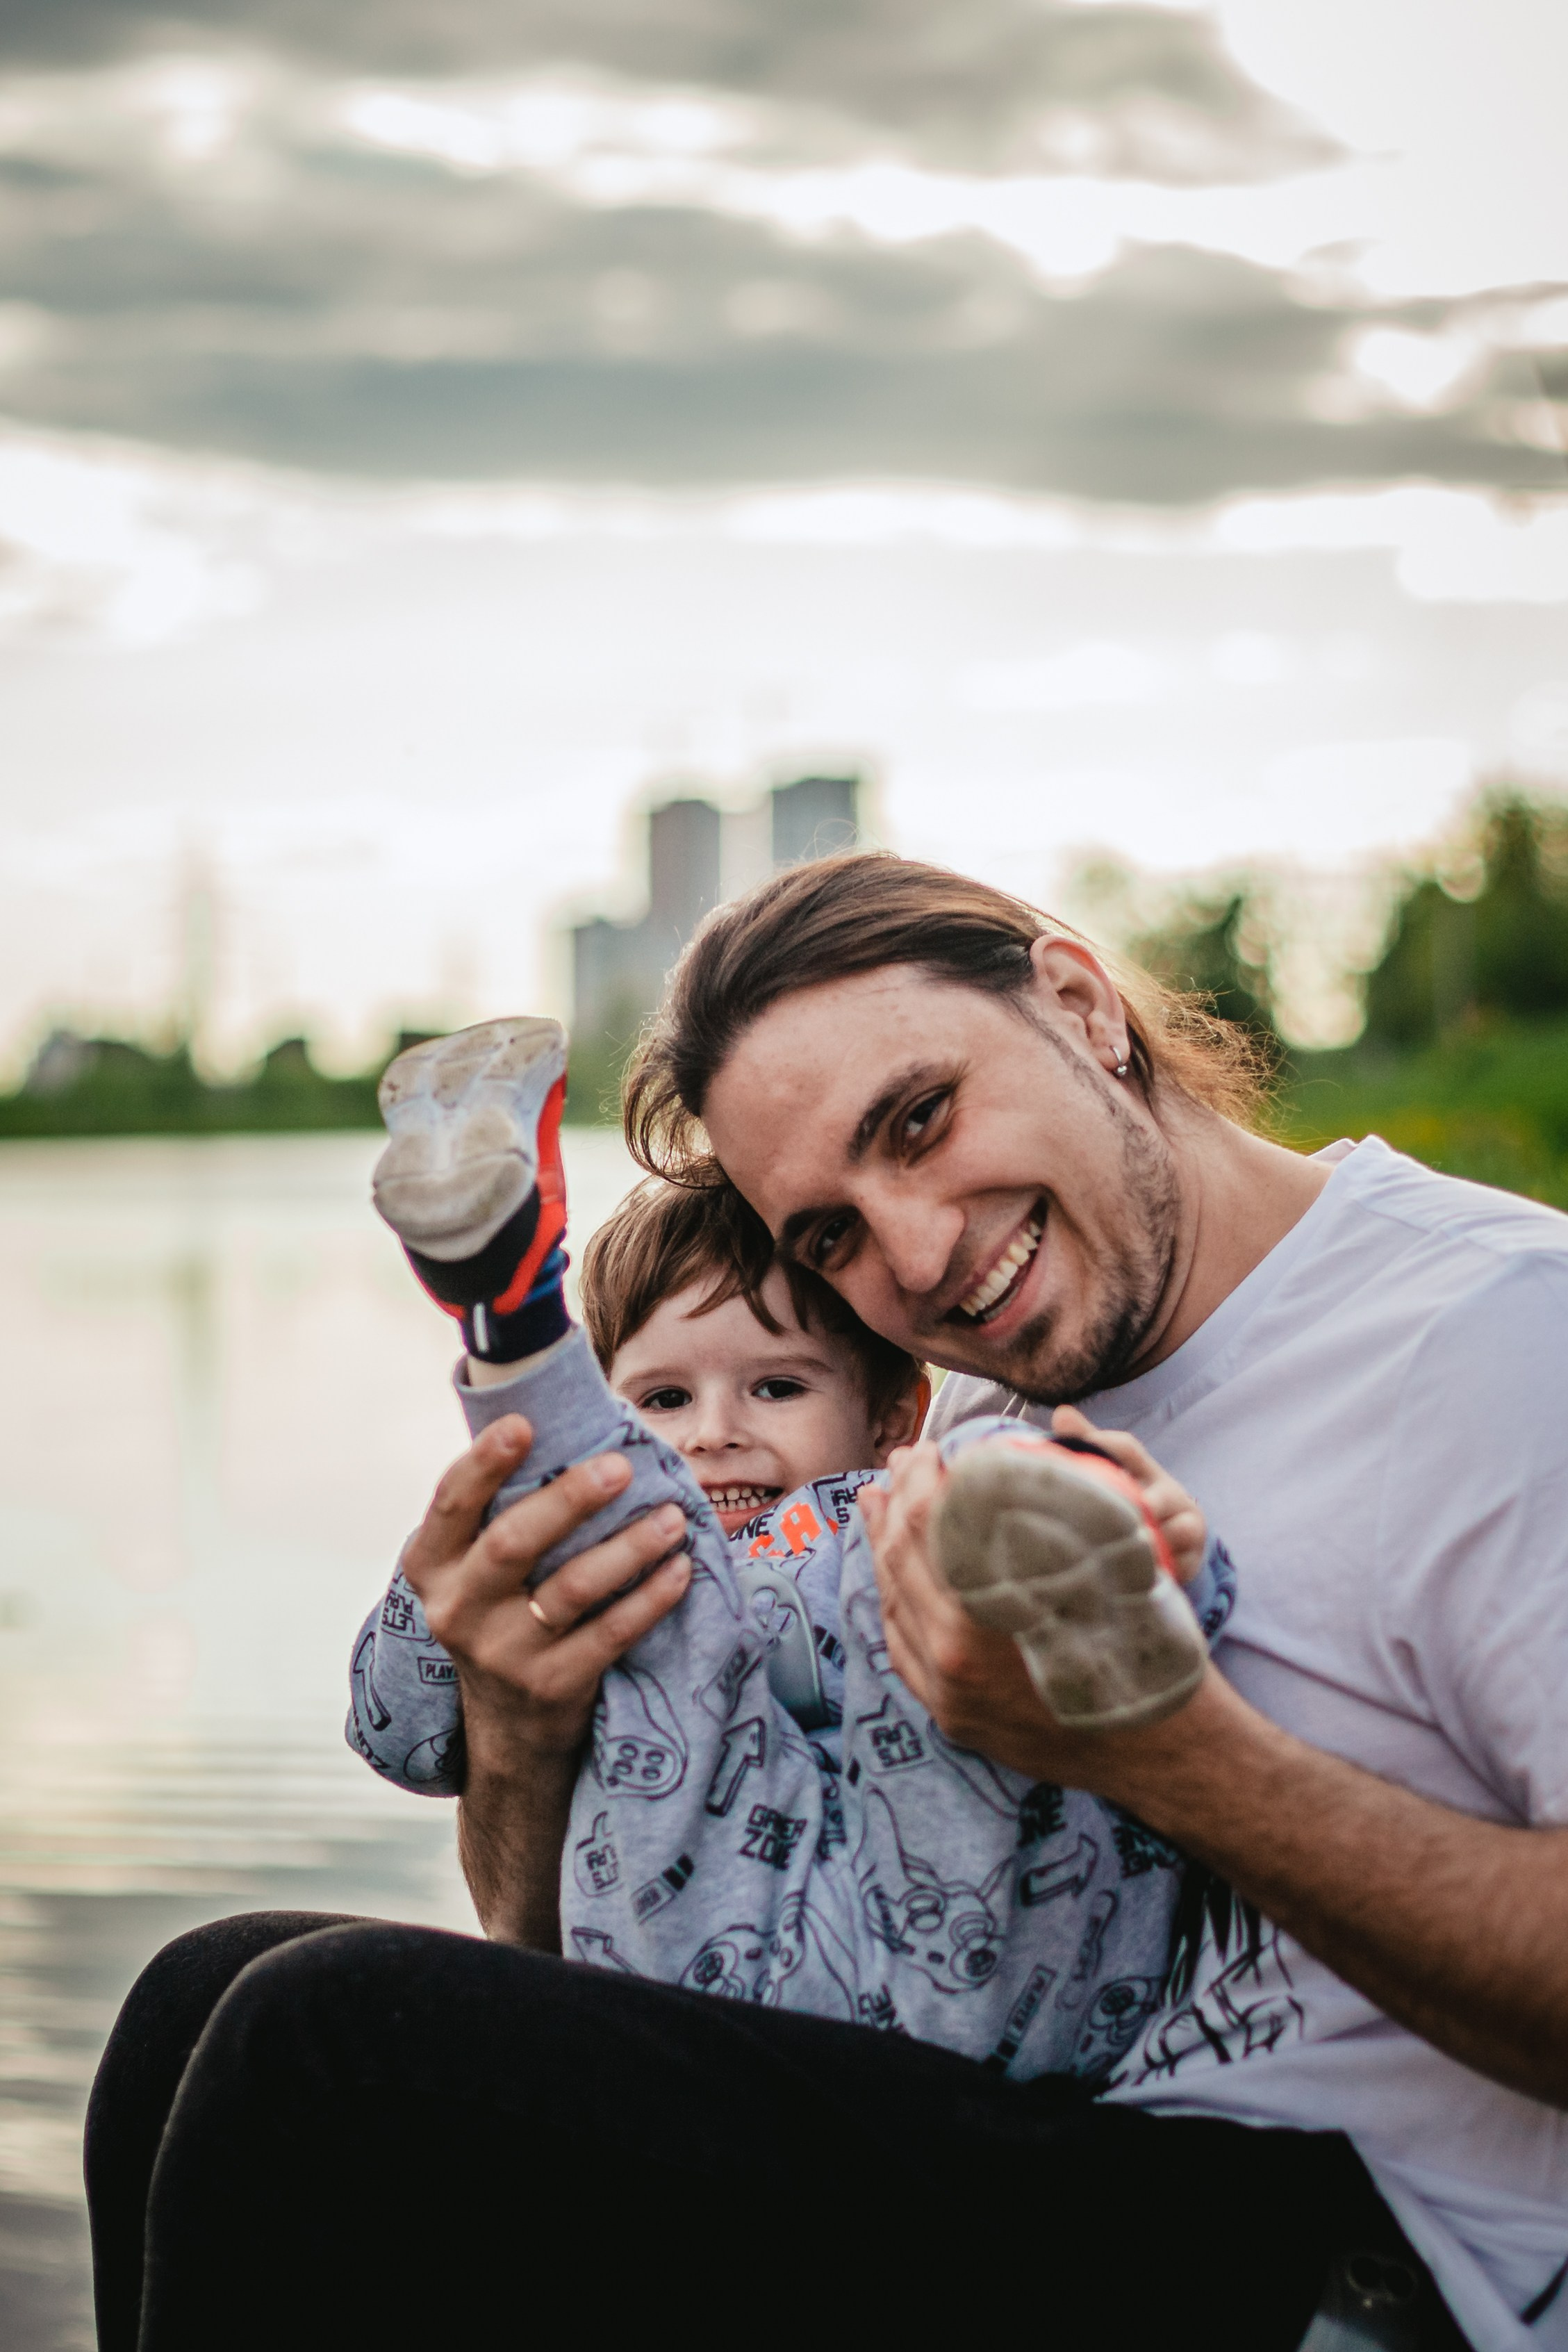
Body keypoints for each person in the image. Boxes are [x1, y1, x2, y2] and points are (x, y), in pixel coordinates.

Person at [84, 855, 1505, 2352]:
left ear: (1082, 1005)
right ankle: (511, 1306)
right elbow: (549, 1936)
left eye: (920, 1117)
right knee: (205, 1993)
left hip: (1326, 2250)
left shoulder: (1480, 1340)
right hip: (954, 2090)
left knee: (324, 2045)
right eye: (829, 1230)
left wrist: (1144, 1731)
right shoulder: (991, 1368)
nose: (914, 1249)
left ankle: (518, 1318)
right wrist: (516, 1719)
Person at [349, 1016, 1228, 2062]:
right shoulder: (622, 1577)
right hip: (707, 1995)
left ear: (896, 1410)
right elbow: (396, 1728)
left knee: (929, 1514)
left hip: (989, 1997)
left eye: (775, 1386)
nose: (715, 1430)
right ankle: (513, 1316)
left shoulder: (867, 1511)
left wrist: (1151, 1554)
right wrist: (472, 1567)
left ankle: (1066, 1513)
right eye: (664, 1397)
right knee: (621, 1537)